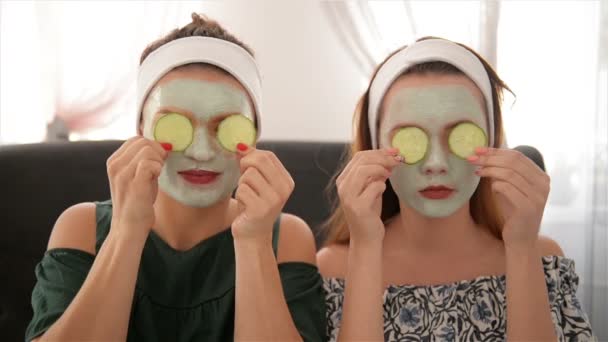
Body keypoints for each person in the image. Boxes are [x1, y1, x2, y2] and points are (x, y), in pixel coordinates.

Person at [26, 13, 325, 342]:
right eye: (175, 125)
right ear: (141, 131)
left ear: (253, 138)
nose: (200, 152)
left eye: (225, 127)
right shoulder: (81, 227)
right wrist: (126, 231)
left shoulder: (286, 238)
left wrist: (254, 241)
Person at [318, 37, 595, 341]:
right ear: (374, 147)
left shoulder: (541, 257)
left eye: (459, 135)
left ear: (492, 142)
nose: (436, 164)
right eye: (410, 138)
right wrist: (366, 246)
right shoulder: (332, 268)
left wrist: (522, 247)